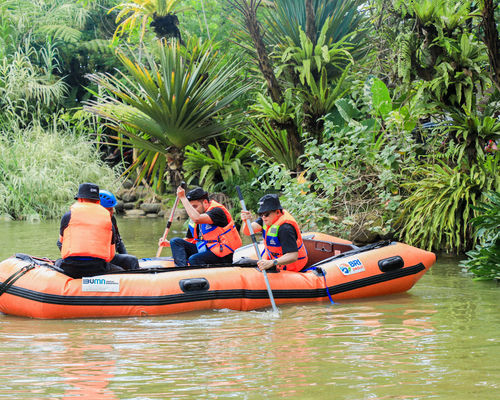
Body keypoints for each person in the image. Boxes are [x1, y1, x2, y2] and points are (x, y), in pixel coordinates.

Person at [158, 186, 242, 267]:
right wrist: (168, 243)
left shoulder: (217, 212)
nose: (192, 210)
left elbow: (197, 218)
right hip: (206, 249)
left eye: (194, 206)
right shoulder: (194, 218)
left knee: (194, 259)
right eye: (190, 207)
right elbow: (190, 240)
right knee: (175, 242)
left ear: (205, 202)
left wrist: (183, 198)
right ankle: (181, 269)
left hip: (223, 254)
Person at [56, 183, 123, 279]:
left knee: (57, 262)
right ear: (97, 201)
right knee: (120, 271)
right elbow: (111, 254)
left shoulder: (67, 217)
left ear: (80, 199)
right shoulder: (108, 219)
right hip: (98, 269)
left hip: (71, 268)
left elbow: (61, 243)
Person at [240, 194, 308, 272]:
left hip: (292, 268)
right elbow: (248, 231)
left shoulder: (285, 229)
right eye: (261, 214)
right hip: (275, 261)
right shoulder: (266, 219)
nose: (263, 217)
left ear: (278, 212)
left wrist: (273, 262)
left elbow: (293, 256)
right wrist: (246, 221)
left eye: (266, 214)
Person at [99, 190, 140, 271]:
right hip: (98, 260)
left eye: (112, 209)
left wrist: (126, 257)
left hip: (110, 257)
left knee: (132, 260)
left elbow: (118, 241)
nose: (112, 211)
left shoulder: (112, 219)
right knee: (120, 269)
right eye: (109, 209)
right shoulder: (94, 222)